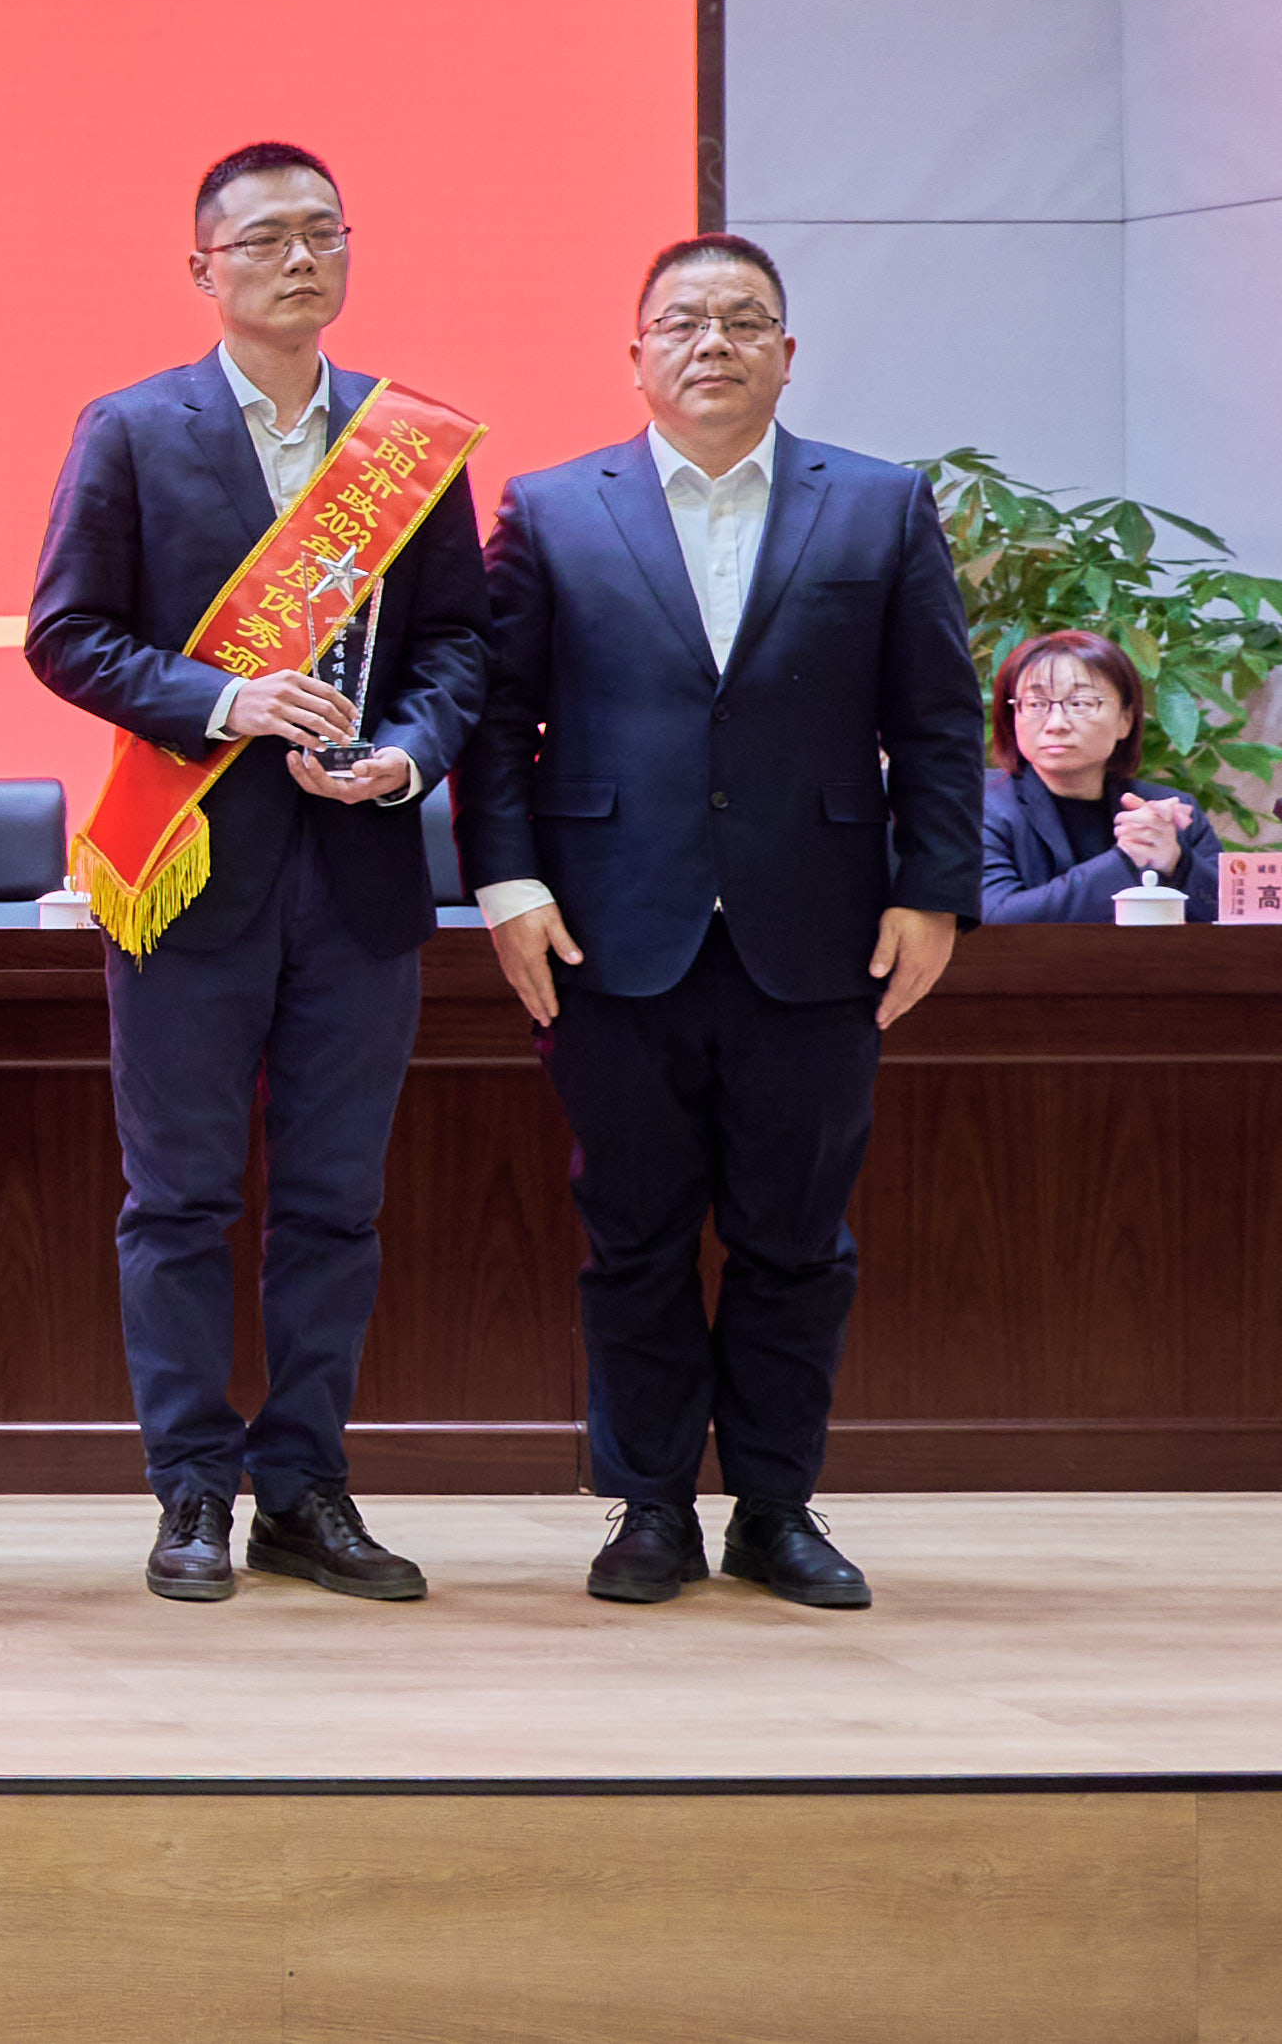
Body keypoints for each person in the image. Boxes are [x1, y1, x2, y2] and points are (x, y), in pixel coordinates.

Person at [463, 235, 984, 1610]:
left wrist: (933, 889)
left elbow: (936, 715)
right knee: (631, 1232)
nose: (713, 343)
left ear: (787, 352)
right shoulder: (551, 507)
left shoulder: (875, 504)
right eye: (683, 320)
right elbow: (497, 722)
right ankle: (647, 1506)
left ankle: (773, 1506)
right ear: (634, 351)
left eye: (743, 320)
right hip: (605, 932)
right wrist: (507, 884)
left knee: (795, 1235)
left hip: (819, 932)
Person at [26, 141, 488, 1609]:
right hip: (187, 869)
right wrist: (224, 699)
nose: (299, 258)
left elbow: (458, 644)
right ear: (202, 267)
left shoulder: (405, 444)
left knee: (335, 1203)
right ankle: (189, 1486)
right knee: (177, 1200)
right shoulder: (131, 429)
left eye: (322, 232)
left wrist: (405, 754)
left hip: (357, 869)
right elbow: (66, 634)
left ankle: (303, 1487)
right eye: (266, 237)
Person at [976, 628, 1282, 921]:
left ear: (1125, 720)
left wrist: (1178, 864)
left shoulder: (1169, 812)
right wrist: (1125, 861)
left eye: (1080, 703)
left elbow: (1234, 920)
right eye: (1036, 704)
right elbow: (994, 918)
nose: (1056, 723)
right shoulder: (981, 806)